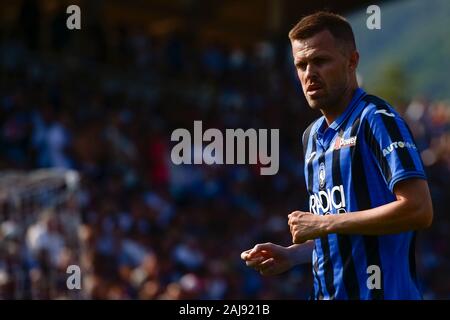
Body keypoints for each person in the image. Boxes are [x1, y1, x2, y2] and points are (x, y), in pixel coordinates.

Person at [241, 11, 433, 300]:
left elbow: (419, 209)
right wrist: (293, 256)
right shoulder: (311, 136)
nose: (309, 74)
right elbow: (342, 228)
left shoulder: (376, 120)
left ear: (352, 61)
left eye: (320, 61)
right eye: (301, 65)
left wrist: (322, 224)